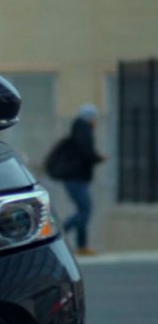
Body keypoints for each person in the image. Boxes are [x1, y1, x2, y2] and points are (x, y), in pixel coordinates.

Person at [61, 104, 107, 256]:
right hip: (77, 178)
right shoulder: (83, 131)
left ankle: (82, 246)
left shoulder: (79, 130)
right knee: (85, 211)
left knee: (83, 211)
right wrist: (98, 158)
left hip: (77, 178)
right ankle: (60, 232)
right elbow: (86, 154)